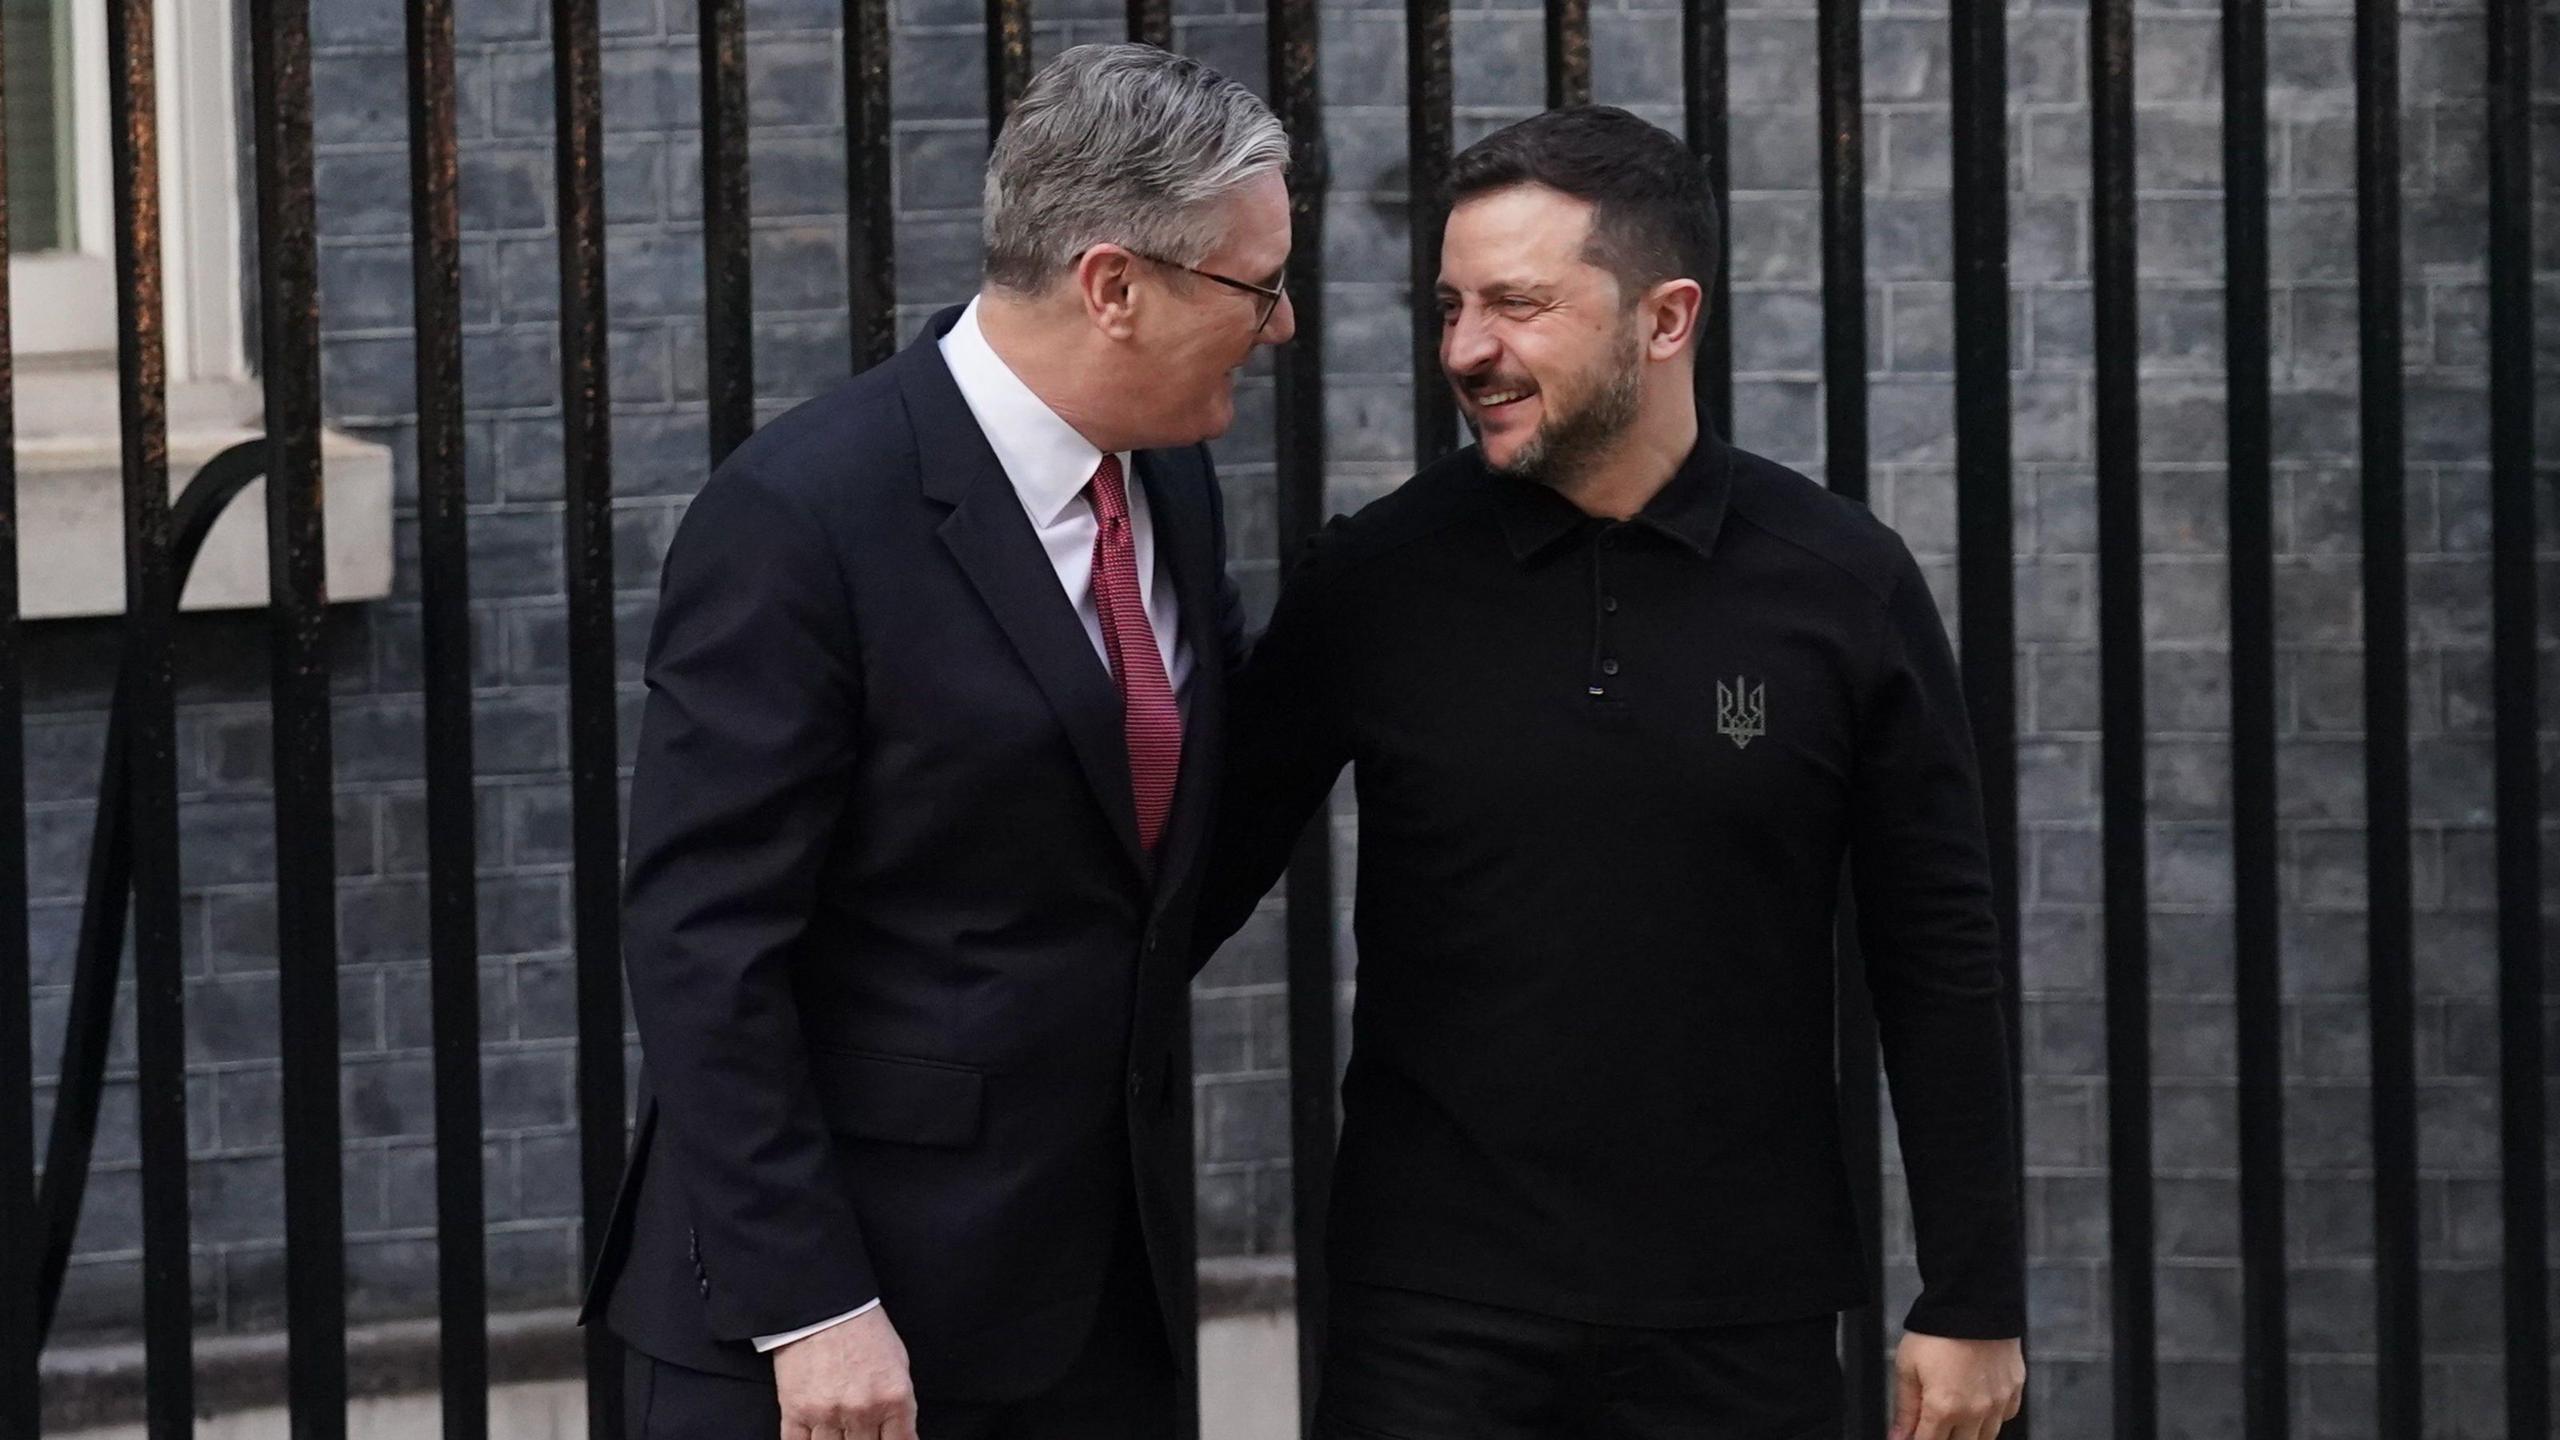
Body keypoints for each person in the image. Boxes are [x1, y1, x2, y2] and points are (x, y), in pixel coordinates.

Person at [1199, 105, 2026, 1440]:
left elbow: (1939, 953)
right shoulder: (1377, 580)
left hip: (1739, 1322)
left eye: (1519, 305)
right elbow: (1195, 880)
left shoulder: (1841, 584)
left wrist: (1973, 1293)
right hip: (1431, 1324)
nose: (1469, 349)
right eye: (1453, 305)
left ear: (1666, 315)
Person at [581, 43, 1295, 1440]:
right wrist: (813, 1306)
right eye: (1257, 288)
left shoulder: (1173, 485)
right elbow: (702, 942)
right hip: (838, 1344)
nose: (1280, 327)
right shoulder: (803, 516)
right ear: (1113, 285)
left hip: (1092, 1309)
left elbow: (1144, 866)